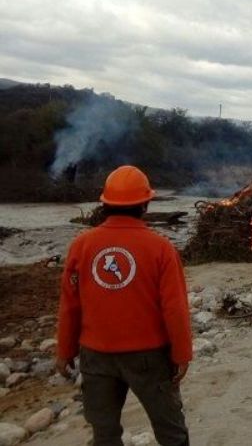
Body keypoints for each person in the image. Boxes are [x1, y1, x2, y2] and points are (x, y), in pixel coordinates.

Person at [55, 165, 192, 446]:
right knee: (172, 433)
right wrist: (182, 354)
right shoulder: (161, 248)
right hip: (149, 357)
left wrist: (64, 351)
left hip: (96, 357)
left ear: (105, 203)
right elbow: (174, 308)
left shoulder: (81, 246)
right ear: (145, 204)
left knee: (104, 435)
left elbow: (70, 305)